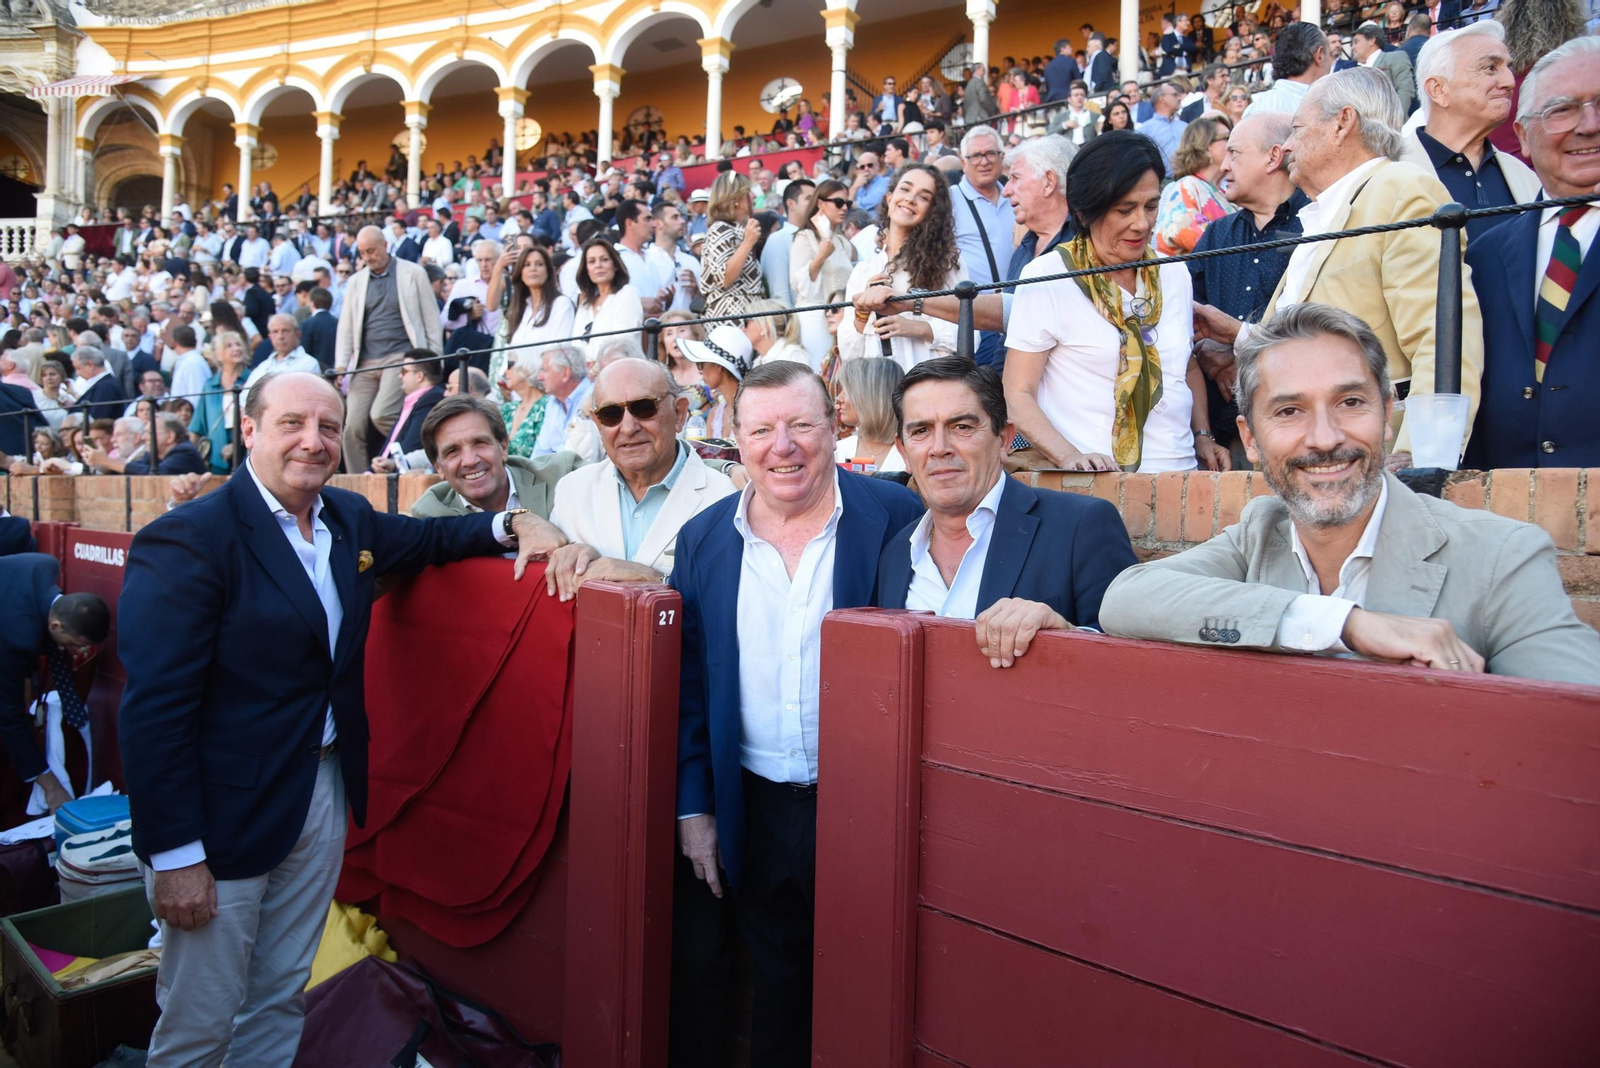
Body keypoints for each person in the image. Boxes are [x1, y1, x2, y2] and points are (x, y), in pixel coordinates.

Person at [117, 371, 564, 1067]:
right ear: (249, 432)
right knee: (200, 1019)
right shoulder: (189, 539)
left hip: (321, 793)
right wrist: (175, 856)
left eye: (328, 427)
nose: (314, 441)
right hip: (220, 817)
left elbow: (432, 544)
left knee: (279, 995)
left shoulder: (345, 519)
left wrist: (514, 522)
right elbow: (154, 713)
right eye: (293, 424)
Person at [1099, 303, 1600, 684]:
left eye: (1351, 402)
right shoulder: (1259, 531)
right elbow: (1125, 599)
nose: (1325, 438)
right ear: (1249, 439)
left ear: (1386, 415)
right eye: (1289, 411)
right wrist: (1345, 625)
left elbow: (1575, 722)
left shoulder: (1502, 559)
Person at [669, 361, 923, 1068]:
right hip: (752, 804)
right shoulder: (702, 541)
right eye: (762, 429)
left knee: (878, 986)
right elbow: (689, 688)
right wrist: (695, 809)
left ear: (835, 426)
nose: (783, 445)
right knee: (777, 987)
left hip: (867, 805)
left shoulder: (898, 516)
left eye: (800, 425)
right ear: (736, 439)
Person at [1194, 67, 1486, 461]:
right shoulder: (1324, 212)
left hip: (1374, 464)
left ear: (1342, 123)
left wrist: (1422, 460)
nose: (1289, 147)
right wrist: (1241, 336)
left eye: (1296, 129)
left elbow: (1443, 340)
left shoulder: (1401, 189)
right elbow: (1307, 339)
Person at [876, 357, 1137, 651]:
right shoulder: (895, 552)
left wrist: (1067, 634)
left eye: (961, 426)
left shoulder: (1081, 527)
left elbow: (1141, 661)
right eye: (921, 431)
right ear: (904, 452)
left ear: (1003, 440)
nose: (940, 448)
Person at [1005, 132, 1222, 475]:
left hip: (1182, 478)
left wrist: (1204, 435)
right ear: (1085, 210)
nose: (1142, 223)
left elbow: (1185, 366)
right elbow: (1018, 394)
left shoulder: (1174, 273)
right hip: (1095, 486)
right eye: (1125, 210)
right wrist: (1068, 457)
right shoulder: (1046, 276)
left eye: (1151, 206)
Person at [1462, 36, 1600, 470]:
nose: (1589, 124)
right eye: (1562, 109)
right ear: (1522, 134)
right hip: (1509, 520)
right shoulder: (1485, 255)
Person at [543, 359, 737, 599]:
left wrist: (654, 580)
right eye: (611, 414)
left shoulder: (726, 499)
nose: (628, 427)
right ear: (597, 423)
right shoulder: (571, 492)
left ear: (679, 413)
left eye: (644, 408)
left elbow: (733, 601)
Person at [1189, 113, 1308, 462]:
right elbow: (1181, 316)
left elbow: (1316, 324)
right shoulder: (1216, 235)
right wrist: (1213, 355)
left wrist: (1238, 350)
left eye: (1234, 154)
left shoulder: (1318, 225)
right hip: (1226, 438)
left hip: (1297, 430)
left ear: (1273, 157)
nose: (1223, 166)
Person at [1400, 21, 1540, 243]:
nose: (1509, 81)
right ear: (1439, 90)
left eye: (1508, 68)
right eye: (1490, 68)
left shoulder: (1525, 176)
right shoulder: (1389, 172)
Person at [0, 554, 109, 812]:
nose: (75, 651)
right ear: (56, 625)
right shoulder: (17, 640)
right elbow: (8, 716)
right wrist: (51, 786)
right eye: (73, 643)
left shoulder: (43, 565)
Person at [336, 225, 444, 474]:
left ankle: (407, 456)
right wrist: (342, 365)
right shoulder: (355, 281)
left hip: (401, 358)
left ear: (385, 245)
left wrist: (434, 358)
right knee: (349, 427)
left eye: (371, 250)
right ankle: (357, 482)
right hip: (364, 362)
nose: (367, 257)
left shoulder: (413, 272)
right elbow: (346, 326)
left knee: (381, 414)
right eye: (362, 253)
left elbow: (431, 317)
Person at [841, 164, 967, 370]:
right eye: (905, 189)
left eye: (923, 197)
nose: (910, 199)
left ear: (932, 211)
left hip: (928, 385)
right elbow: (848, 353)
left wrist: (917, 327)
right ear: (889, 198)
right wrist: (862, 313)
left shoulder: (947, 263)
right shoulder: (864, 270)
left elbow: (969, 333)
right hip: (875, 391)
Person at [409, 394, 584, 521]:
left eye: (480, 443)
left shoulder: (563, 472)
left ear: (504, 447)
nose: (470, 460)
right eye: (453, 451)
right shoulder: (431, 515)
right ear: (438, 467)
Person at [948, 126, 1015, 368]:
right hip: (978, 320)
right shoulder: (949, 200)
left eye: (990, 154)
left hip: (1019, 314)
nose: (984, 161)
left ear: (1001, 157)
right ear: (963, 162)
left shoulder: (1015, 194)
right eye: (976, 155)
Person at [486, 244, 576, 401]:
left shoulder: (561, 304)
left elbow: (559, 352)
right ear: (520, 272)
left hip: (545, 393)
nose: (533, 269)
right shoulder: (521, 308)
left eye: (539, 264)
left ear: (548, 271)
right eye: (527, 265)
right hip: (518, 394)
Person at [788, 179, 855, 369]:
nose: (844, 208)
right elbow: (797, 283)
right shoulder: (804, 238)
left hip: (839, 321)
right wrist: (821, 256)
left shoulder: (842, 242)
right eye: (838, 202)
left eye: (847, 203)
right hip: (814, 319)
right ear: (820, 203)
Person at [1155, 117, 1238, 255]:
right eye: (1227, 137)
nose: (1233, 143)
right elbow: (1183, 231)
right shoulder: (1187, 186)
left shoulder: (1222, 190)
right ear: (1205, 147)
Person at [701, 171, 765, 319]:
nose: (754, 196)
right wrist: (748, 243)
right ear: (735, 199)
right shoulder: (719, 229)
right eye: (749, 192)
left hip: (747, 317)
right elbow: (724, 279)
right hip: (729, 320)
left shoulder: (738, 230)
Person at [369, 353, 445, 472]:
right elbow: (394, 440)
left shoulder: (432, 399)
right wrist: (372, 468)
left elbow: (412, 444)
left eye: (404, 371)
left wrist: (390, 465)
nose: (400, 376)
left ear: (419, 376)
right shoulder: (417, 399)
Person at [190, 331, 252, 474]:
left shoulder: (253, 379)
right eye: (228, 346)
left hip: (247, 453)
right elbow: (197, 425)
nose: (236, 348)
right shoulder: (210, 385)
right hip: (216, 458)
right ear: (217, 355)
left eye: (238, 344)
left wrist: (236, 444)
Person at [832, 356, 905, 473]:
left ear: (872, 397)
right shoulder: (837, 451)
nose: (838, 398)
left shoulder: (910, 454)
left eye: (847, 390)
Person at [678, 324, 753, 440]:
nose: (700, 371)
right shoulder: (715, 414)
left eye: (701, 364)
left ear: (718, 366)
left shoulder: (754, 410)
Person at [1244, 23, 1334, 117]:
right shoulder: (1270, 104)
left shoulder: (1258, 105)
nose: (1331, 62)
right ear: (1319, 55)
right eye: (1329, 54)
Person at [571, 237, 644, 353]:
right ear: (587, 270)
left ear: (615, 265)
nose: (598, 265)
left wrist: (594, 369)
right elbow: (575, 346)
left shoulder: (627, 293)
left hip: (619, 368)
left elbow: (622, 344)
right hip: (585, 369)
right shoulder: (585, 304)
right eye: (591, 261)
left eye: (604, 259)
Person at [242, 315, 321, 406]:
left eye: (285, 331)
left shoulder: (308, 363)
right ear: (270, 336)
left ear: (298, 334)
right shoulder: (263, 366)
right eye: (275, 332)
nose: (280, 336)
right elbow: (244, 398)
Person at [530, 344, 593, 458]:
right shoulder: (552, 402)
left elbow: (589, 456)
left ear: (565, 373)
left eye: (544, 370)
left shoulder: (594, 396)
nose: (539, 377)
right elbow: (541, 453)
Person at [759, 180, 814, 309]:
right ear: (791, 204)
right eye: (809, 198)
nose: (816, 204)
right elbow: (780, 295)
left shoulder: (818, 236)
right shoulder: (778, 240)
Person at [1351, 23, 1417, 116]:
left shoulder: (1394, 57)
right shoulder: (1355, 71)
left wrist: (1394, 120)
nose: (1353, 47)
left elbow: (1405, 90)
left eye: (1356, 42)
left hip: (1391, 125)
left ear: (1371, 40)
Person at [122, 412, 207, 476]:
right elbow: (136, 467)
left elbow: (157, 474)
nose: (143, 437)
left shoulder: (185, 452)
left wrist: (113, 463)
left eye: (150, 433)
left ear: (170, 436)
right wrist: (111, 466)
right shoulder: (154, 454)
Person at [1136, 82, 1189, 174]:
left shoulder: (1185, 126)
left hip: (1188, 180)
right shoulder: (1145, 130)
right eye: (1175, 95)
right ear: (1162, 99)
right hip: (1162, 183)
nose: (1179, 98)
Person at [299, 287, 338, 371]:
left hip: (314, 371)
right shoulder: (338, 322)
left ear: (312, 303)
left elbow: (304, 352)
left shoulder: (306, 324)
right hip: (336, 371)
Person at [1044, 38, 1083, 102]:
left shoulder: (1048, 66)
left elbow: (1048, 86)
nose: (1071, 48)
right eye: (1069, 47)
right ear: (1062, 49)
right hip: (1068, 98)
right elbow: (1078, 81)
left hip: (1053, 100)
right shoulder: (1070, 61)